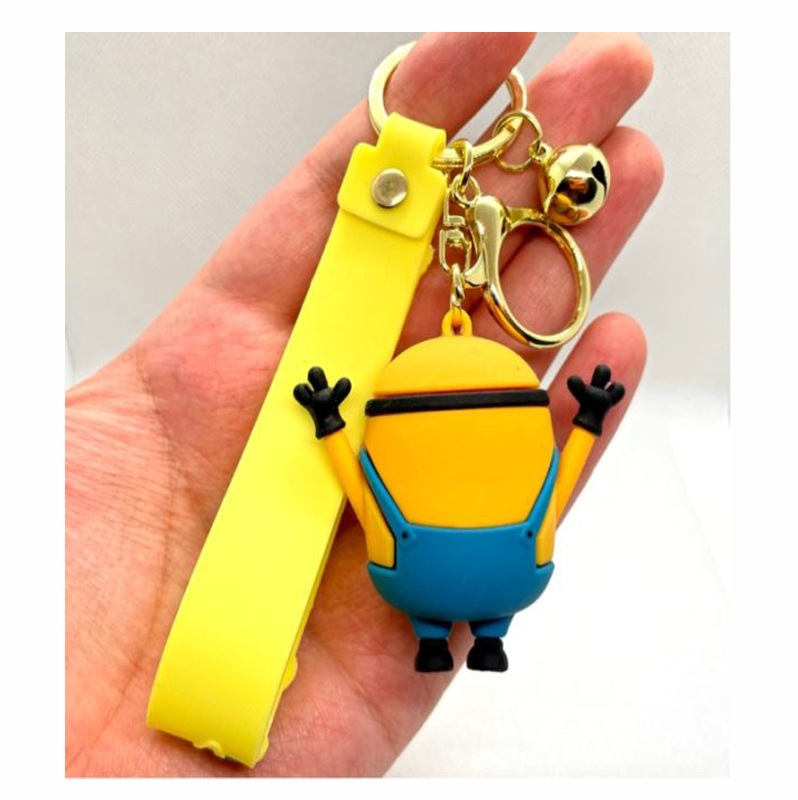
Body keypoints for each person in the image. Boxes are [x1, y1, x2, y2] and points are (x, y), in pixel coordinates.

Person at [65, 31, 662, 777]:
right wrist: (588, 420)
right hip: (489, 565)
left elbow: (367, 490)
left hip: (430, 563)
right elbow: (550, 486)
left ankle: (461, 637)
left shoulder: (406, 546)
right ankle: (483, 637)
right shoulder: (498, 547)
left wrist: (330, 424)